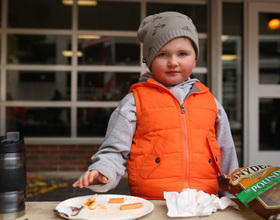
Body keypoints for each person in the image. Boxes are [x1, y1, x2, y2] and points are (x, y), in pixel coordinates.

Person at [72, 11, 239, 199]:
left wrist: (233, 195)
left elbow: (226, 152)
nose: (173, 62)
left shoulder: (209, 101)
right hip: (154, 203)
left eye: (182, 54)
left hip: (204, 203)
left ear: (194, 59)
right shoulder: (134, 102)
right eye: (162, 54)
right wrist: (103, 171)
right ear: (149, 61)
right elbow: (115, 150)